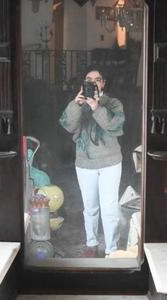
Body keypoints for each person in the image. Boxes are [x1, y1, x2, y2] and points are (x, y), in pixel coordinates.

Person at [59, 69, 125, 257]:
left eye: (97, 80)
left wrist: (96, 107)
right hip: (84, 163)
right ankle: (91, 244)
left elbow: (115, 126)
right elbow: (68, 126)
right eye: (88, 80)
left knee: (110, 208)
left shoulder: (113, 103)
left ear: (103, 83)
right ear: (83, 84)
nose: (92, 83)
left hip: (110, 162)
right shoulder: (77, 103)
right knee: (90, 207)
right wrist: (75, 104)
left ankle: (111, 249)